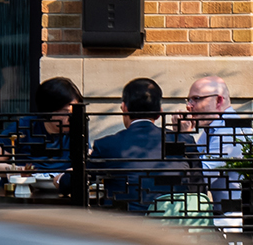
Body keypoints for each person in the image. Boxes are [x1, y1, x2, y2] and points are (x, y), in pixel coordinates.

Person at [88, 77, 205, 216]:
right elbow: (198, 190)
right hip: (174, 229)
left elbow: (73, 181)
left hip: (124, 231)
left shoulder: (107, 145)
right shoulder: (185, 141)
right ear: (160, 112)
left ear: (124, 107)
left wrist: (60, 178)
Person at [184, 74, 253, 225]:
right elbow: (190, 165)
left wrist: (185, 136)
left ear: (218, 100)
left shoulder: (229, 132)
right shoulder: (215, 128)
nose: (189, 106)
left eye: (196, 99)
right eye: (188, 100)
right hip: (225, 217)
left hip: (234, 221)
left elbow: (198, 178)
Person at [0, 76, 83, 181]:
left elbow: (88, 161)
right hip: (27, 190)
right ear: (48, 110)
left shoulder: (78, 128)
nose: (72, 117)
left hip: (63, 190)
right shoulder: (24, 127)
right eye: (66, 112)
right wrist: (18, 170)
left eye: (75, 111)